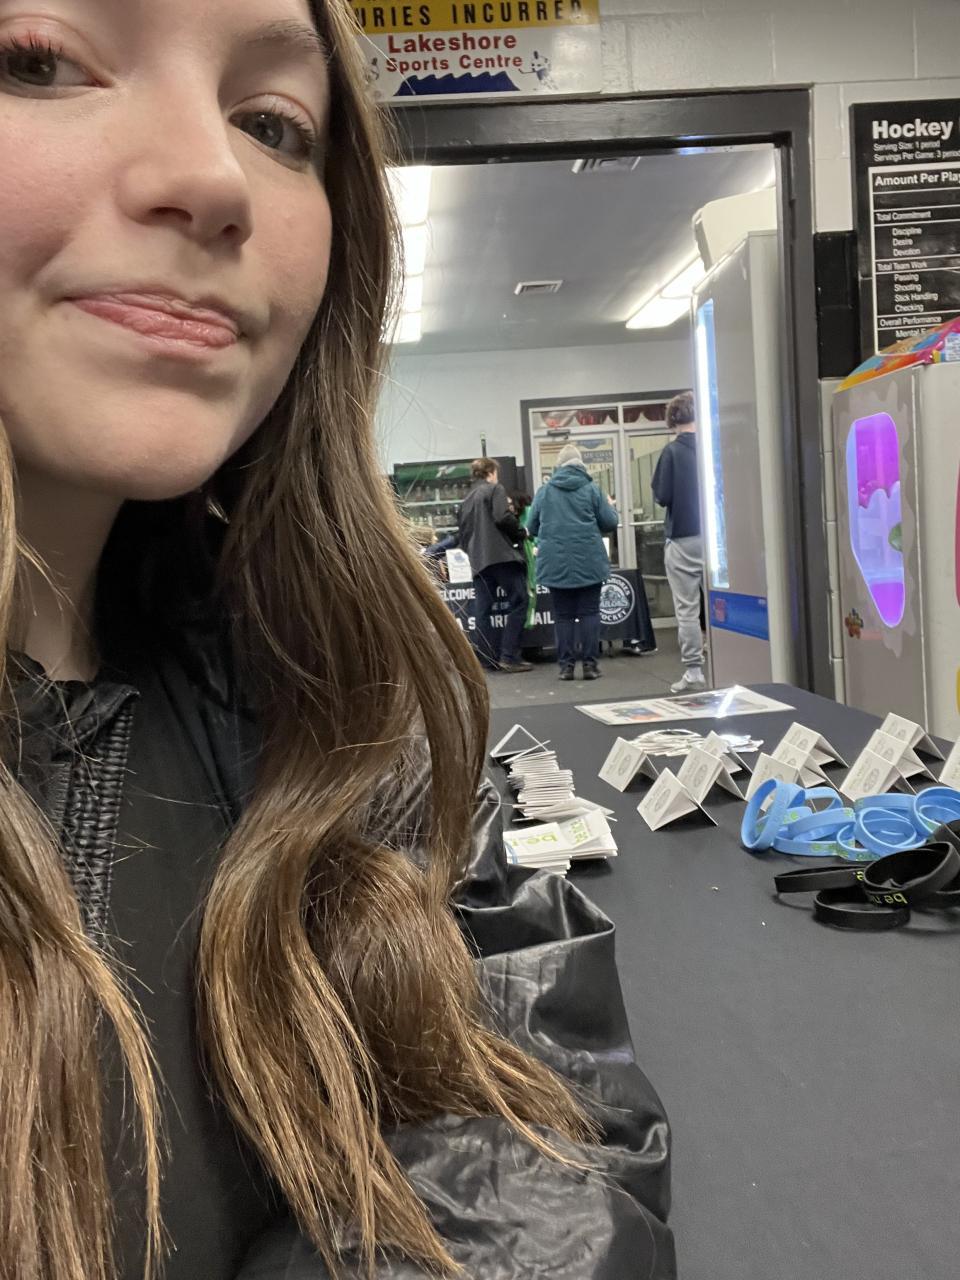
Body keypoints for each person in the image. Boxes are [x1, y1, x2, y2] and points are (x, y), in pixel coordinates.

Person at [0, 3, 675, 1279]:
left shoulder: (348, 707)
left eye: (273, 123)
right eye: (35, 61)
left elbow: (559, 1131)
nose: (214, 175)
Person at [527, 444, 619, 680]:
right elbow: (609, 523)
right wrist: (611, 507)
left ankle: (566, 668)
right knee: (589, 613)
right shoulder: (592, 490)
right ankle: (590, 666)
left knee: (563, 616)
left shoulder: (544, 492)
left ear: (558, 466)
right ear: (581, 466)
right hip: (589, 560)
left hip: (555, 562)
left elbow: (531, 526)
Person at [653, 390, 707, 692]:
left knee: (687, 609)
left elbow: (662, 495)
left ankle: (694, 670)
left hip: (683, 537)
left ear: (672, 419)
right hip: (716, 539)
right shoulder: (714, 447)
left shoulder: (671, 453)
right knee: (723, 604)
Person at [457, 458, 532, 674]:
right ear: (491, 472)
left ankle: (486, 659)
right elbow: (502, 517)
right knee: (519, 601)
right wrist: (521, 532)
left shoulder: (467, 499)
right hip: (502, 556)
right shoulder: (494, 489)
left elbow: (462, 533)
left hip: (478, 562)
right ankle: (509, 656)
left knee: (483, 611)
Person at [508, 489, 538, 628]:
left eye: (510, 503)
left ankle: (528, 622)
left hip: (530, 555)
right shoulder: (517, 516)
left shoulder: (528, 513)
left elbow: (534, 533)